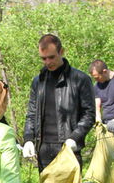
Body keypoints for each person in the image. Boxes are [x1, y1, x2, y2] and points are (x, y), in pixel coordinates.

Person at [22, 34, 94, 171]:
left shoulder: (80, 79)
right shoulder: (38, 81)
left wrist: (75, 137)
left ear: (61, 52)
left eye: (51, 57)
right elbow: (32, 113)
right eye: (43, 58)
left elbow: (89, 114)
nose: (48, 62)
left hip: (68, 147)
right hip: (43, 148)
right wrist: (28, 139)